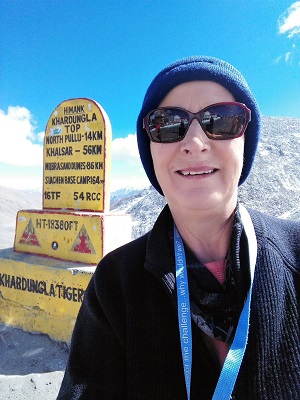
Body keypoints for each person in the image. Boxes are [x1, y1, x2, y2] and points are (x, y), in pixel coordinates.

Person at [57, 56, 300, 400]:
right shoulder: (115, 283)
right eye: (169, 124)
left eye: (223, 120)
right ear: (151, 149)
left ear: (246, 141)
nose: (195, 142)